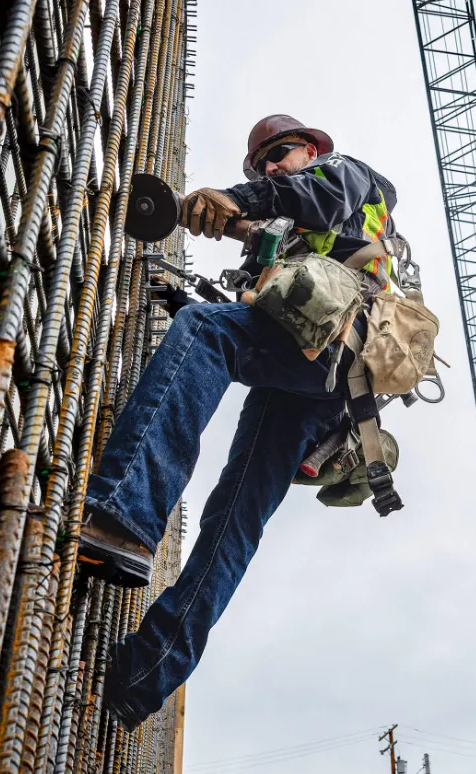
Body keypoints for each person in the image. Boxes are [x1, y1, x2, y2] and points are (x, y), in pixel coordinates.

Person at [78, 115, 401, 730]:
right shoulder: (290, 232)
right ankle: (143, 678)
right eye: (259, 166)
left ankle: (125, 516)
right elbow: (271, 312)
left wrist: (237, 197)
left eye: (278, 155)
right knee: (235, 516)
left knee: (204, 335)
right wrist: (204, 300)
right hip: (313, 367)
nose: (270, 167)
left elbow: (314, 194)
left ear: (310, 147)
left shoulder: (348, 176)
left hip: (336, 351)